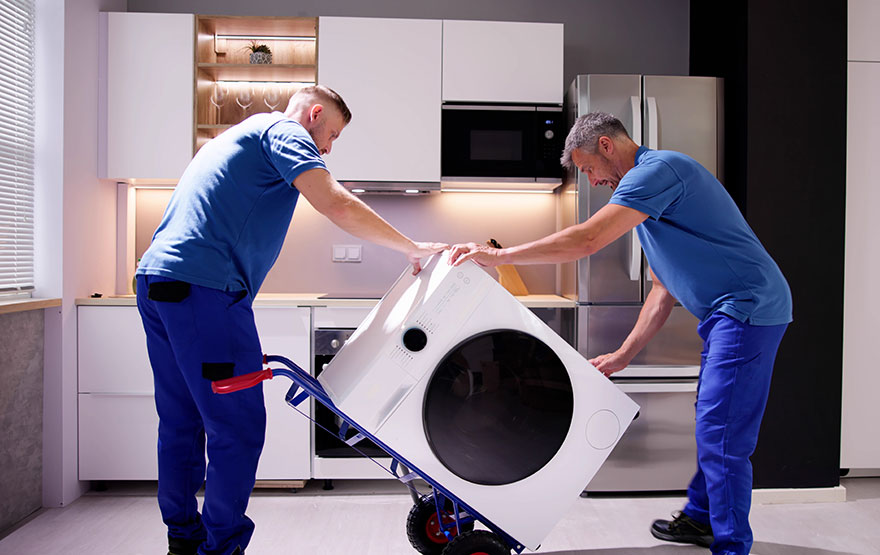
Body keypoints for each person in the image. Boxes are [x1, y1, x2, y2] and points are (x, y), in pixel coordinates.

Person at [448, 112, 791, 555]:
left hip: (747, 308)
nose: (590, 180)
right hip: (729, 315)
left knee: (721, 430)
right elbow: (662, 290)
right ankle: (703, 518)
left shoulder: (657, 171)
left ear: (607, 146)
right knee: (715, 421)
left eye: (588, 168)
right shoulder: (648, 206)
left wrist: (501, 257)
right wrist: (624, 354)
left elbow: (587, 240)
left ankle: (731, 546)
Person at [135, 85, 447, 555]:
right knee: (236, 426)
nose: (328, 147)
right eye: (333, 134)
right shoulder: (284, 130)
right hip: (206, 291)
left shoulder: (234, 135)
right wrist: (413, 247)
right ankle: (219, 549)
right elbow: (335, 202)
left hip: (158, 283)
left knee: (182, 420)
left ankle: (183, 540)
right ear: (315, 114)